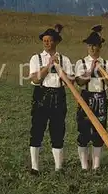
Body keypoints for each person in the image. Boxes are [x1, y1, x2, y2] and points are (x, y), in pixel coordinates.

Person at [28, 24, 75, 174]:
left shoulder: (65, 60)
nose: (46, 43)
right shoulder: (36, 58)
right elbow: (35, 79)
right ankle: (35, 167)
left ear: (56, 42)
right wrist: (49, 65)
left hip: (59, 96)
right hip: (41, 95)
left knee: (58, 131)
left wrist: (61, 70)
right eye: (45, 40)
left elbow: (71, 82)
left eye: (49, 40)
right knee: (37, 130)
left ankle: (58, 167)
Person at [75, 25, 108, 171]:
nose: (93, 48)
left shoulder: (107, 63)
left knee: (100, 132)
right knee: (84, 131)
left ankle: (96, 166)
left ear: (100, 47)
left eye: (96, 45)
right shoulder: (81, 63)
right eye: (90, 45)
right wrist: (91, 70)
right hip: (86, 97)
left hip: (102, 98)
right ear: (87, 47)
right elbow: (79, 81)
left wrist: (102, 72)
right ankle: (84, 166)